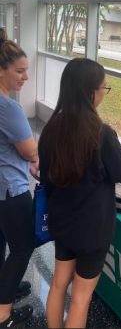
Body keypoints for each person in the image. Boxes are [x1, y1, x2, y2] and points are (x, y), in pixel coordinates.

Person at [38, 58, 121, 329]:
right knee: (80, 299)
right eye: (104, 87)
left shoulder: (51, 130)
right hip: (92, 230)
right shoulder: (101, 134)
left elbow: (46, 178)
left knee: (58, 285)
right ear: (90, 91)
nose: (105, 92)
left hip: (62, 223)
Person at [0, 29, 38, 328]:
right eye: (20, 71)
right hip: (10, 189)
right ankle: (3, 312)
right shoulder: (8, 107)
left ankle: (4, 288)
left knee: (1, 240)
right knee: (24, 245)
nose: (25, 77)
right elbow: (28, 151)